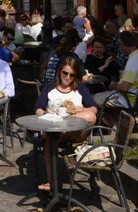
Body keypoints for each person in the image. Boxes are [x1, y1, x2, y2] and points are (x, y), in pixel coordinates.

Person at [34, 57, 97, 192]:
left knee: (90, 116)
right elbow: (38, 107)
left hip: (73, 133)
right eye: (65, 73)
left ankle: (52, 184)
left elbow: (93, 109)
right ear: (59, 72)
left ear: (76, 76)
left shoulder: (80, 88)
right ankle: (52, 183)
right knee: (51, 136)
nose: (67, 77)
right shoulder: (50, 87)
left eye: (72, 75)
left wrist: (81, 110)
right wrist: (47, 116)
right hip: (53, 127)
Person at [93, 31, 138, 116]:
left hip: (124, 99)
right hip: (131, 97)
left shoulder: (133, 60)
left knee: (91, 98)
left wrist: (113, 86)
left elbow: (124, 88)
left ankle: (110, 126)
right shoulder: (135, 57)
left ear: (122, 44)